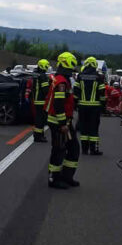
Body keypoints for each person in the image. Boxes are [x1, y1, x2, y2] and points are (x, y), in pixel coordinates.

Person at [44, 51, 80, 189]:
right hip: (59, 122)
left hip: (64, 121)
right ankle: (53, 179)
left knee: (73, 149)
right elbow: (58, 105)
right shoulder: (61, 82)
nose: (72, 71)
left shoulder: (60, 79)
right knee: (59, 150)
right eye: (71, 68)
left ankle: (66, 177)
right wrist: (63, 124)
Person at [75, 56, 106, 155]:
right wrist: (103, 106)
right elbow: (102, 92)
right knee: (93, 128)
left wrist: (76, 104)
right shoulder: (98, 77)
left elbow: (76, 91)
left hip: (82, 107)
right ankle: (93, 150)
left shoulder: (80, 76)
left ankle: (84, 150)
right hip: (94, 107)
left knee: (84, 128)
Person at [32, 58, 51, 142]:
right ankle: (39, 136)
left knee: (38, 118)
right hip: (41, 100)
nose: (47, 67)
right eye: (46, 66)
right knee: (41, 120)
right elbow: (45, 90)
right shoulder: (43, 76)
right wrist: (50, 84)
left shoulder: (35, 74)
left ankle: (37, 135)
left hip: (36, 99)